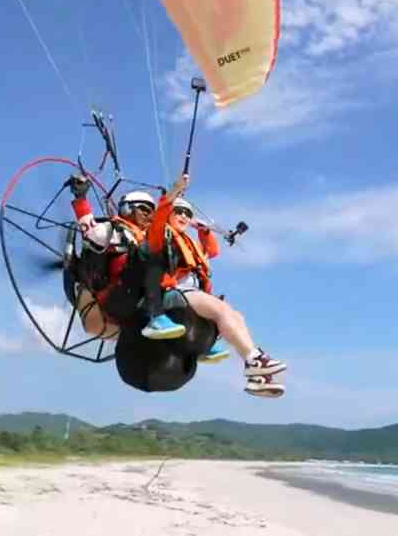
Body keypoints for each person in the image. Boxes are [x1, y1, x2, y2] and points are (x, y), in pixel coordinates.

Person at [142, 171, 287, 398]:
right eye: (178, 211)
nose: (182, 215)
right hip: (172, 293)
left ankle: (257, 376)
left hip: (192, 292)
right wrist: (175, 188)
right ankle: (254, 360)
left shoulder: (189, 240)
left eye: (187, 213)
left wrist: (204, 230)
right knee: (221, 310)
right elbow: (161, 211)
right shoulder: (159, 233)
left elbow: (212, 251)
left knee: (236, 315)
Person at [66, 177, 155, 340]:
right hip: (118, 295)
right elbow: (91, 232)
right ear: (128, 210)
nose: (149, 216)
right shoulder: (114, 230)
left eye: (152, 212)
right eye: (144, 209)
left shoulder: (149, 238)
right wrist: (80, 199)